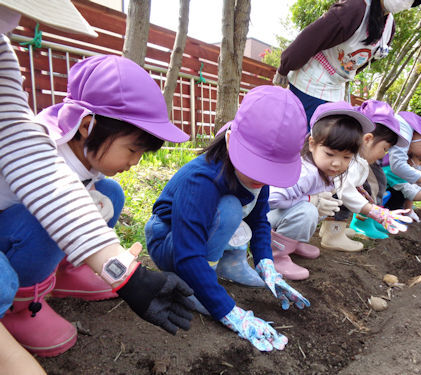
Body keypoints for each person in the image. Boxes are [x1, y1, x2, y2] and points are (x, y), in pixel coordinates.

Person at [0, 0, 194, 362]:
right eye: (132, 150)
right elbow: (54, 196)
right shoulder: (50, 147)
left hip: (23, 223)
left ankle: (68, 271)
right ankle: (23, 304)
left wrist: (121, 271)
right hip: (12, 226)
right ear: (88, 125)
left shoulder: (83, 149)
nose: (134, 163)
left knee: (109, 193)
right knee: (42, 227)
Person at [145, 86, 311, 352]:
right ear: (231, 140)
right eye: (256, 165)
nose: (262, 177)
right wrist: (228, 310)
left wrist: (266, 264)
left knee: (234, 210)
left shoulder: (260, 177)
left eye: (271, 171)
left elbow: (259, 221)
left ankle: (229, 265)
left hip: (202, 238)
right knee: (231, 208)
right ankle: (196, 282)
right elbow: (188, 253)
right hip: (170, 239)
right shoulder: (200, 180)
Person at [267, 101, 372, 279]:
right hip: (264, 221)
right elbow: (272, 198)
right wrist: (310, 200)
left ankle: (294, 242)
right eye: (330, 154)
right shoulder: (306, 173)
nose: (337, 163)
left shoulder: (326, 171)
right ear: (312, 144)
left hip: (281, 216)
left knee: (321, 206)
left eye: (346, 157)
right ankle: (276, 255)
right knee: (308, 210)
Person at [273, 0, 421, 123]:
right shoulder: (355, 8)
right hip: (311, 81)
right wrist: (284, 68)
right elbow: (309, 38)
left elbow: (363, 61)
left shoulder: (389, 28)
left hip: (336, 88)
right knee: (301, 136)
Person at [324, 100, 413, 242]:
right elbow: (345, 191)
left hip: (319, 203)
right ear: (367, 139)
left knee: (354, 194)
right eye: (385, 149)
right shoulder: (352, 162)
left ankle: (330, 230)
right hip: (314, 203)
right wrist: (374, 211)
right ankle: (333, 235)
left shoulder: (356, 159)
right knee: (344, 200)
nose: (384, 155)